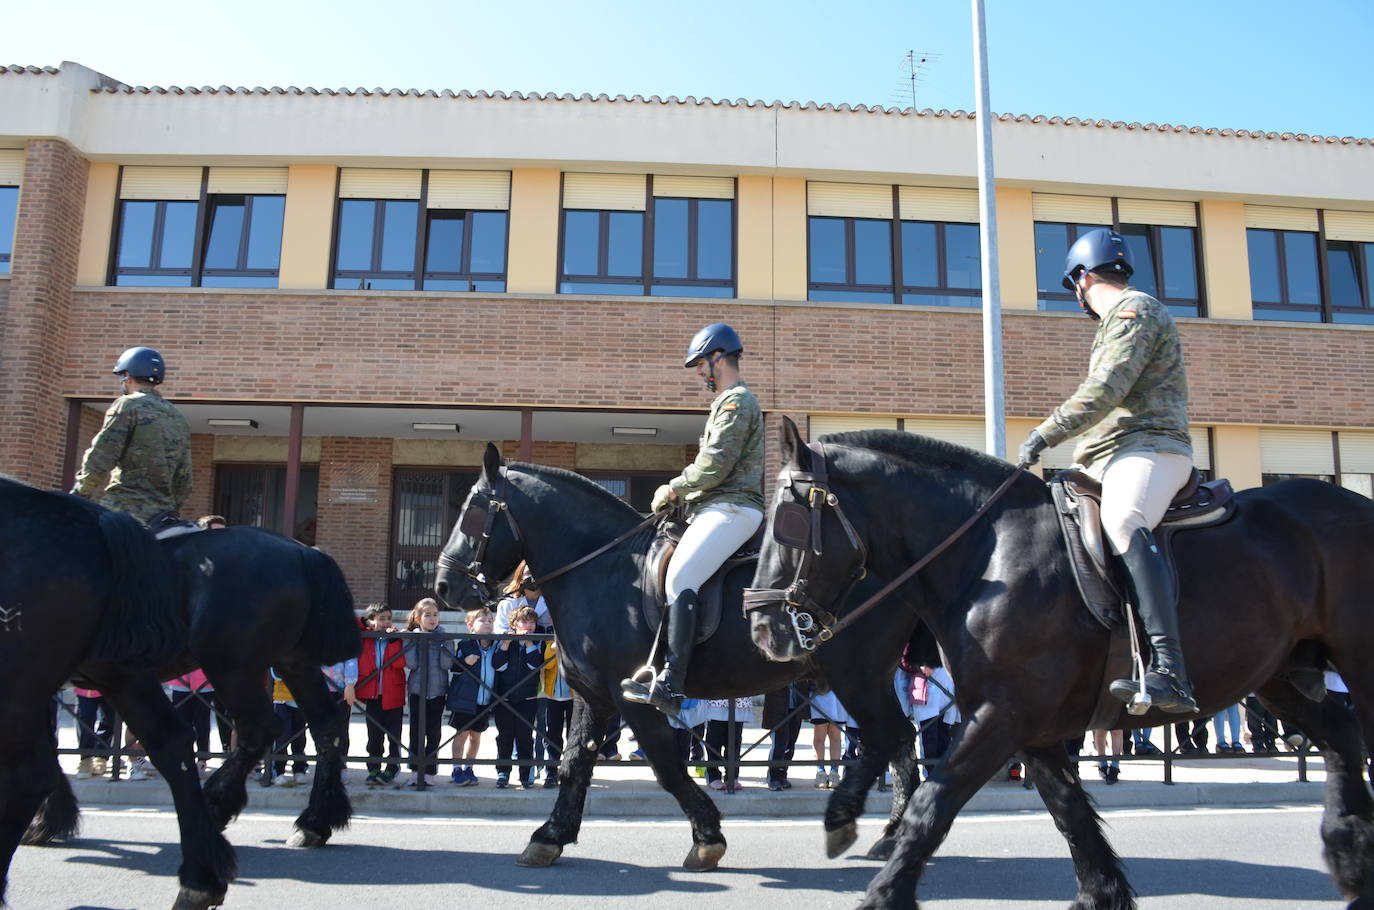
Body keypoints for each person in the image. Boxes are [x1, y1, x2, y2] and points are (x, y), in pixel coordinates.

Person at [1017, 230, 1198, 715]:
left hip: (1150, 447)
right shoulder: (1116, 319)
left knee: (1124, 520)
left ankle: (1170, 670)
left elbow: (1105, 390)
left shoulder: (1135, 310)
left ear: (1083, 277)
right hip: (1104, 456)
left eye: (1074, 286)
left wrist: (1043, 434)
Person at [621, 323, 765, 717]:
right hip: (714, 507)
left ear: (720, 357)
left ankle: (672, 683)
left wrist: (673, 489)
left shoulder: (736, 401)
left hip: (733, 508)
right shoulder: (726, 402)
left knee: (681, 577)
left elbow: (715, 465)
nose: (700, 373)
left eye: (702, 364)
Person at [71, 346, 192, 525]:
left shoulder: (127, 405)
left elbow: (101, 457)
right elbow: (184, 480)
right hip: (163, 517)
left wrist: (79, 494)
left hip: (123, 510)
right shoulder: (177, 416)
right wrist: (171, 509)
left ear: (126, 374)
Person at [402, 598, 454, 789]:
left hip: (437, 691)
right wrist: (411, 642)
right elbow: (412, 664)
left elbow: (446, 664)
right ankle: (415, 772)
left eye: (435, 615)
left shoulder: (444, 636)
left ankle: (430, 772)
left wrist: (445, 645)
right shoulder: (413, 636)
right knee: (416, 733)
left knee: (434, 734)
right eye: (427, 615)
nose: (432, 619)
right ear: (418, 618)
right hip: (417, 691)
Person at [356, 604, 407, 787]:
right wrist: (366, 624)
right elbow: (354, 623)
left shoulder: (395, 638)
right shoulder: (366, 639)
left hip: (393, 694)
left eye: (388, 618)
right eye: (381, 618)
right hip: (372, 695)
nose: (386, 622)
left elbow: (400, 663)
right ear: (371, 621)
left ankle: (392, 769)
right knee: (374, 736)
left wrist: (393, 641)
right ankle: (374, 768)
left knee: (394, 735)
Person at [493, 605, 543, 788]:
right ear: (513, 624)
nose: (528, 626)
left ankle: (526, 775)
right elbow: (498, 666)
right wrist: (505, 645)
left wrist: (529, 644)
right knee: (505, 737)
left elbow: (535, 666)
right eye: (524, 622)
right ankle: (503, 773)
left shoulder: (537, 643)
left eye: (532, 622)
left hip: (528, 699)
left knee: (525, 738)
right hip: (504, 699)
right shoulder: (506, 642)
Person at [448, 606, 498, 786]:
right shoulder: (465, 644)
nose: (487, 624)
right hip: (465, 698)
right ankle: (456, 768)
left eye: (490, 621)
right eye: (482, 620)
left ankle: (469, 767)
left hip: (485, 700)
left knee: (476, 735)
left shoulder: (496, 644)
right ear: (470, 626)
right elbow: (453, 667)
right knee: (461, 734)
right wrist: (464, 662)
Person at [704, 696, 752, 791]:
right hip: (717, 699)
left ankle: (732, 776)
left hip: (739, 699)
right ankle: (713, 776)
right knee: (715, 741)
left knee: (734, 741)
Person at [809, 684, 848, 789]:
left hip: (838, 694)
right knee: (820, 734)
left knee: (835, 735)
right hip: (820, 691)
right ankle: (820, 772)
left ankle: (834, 772)